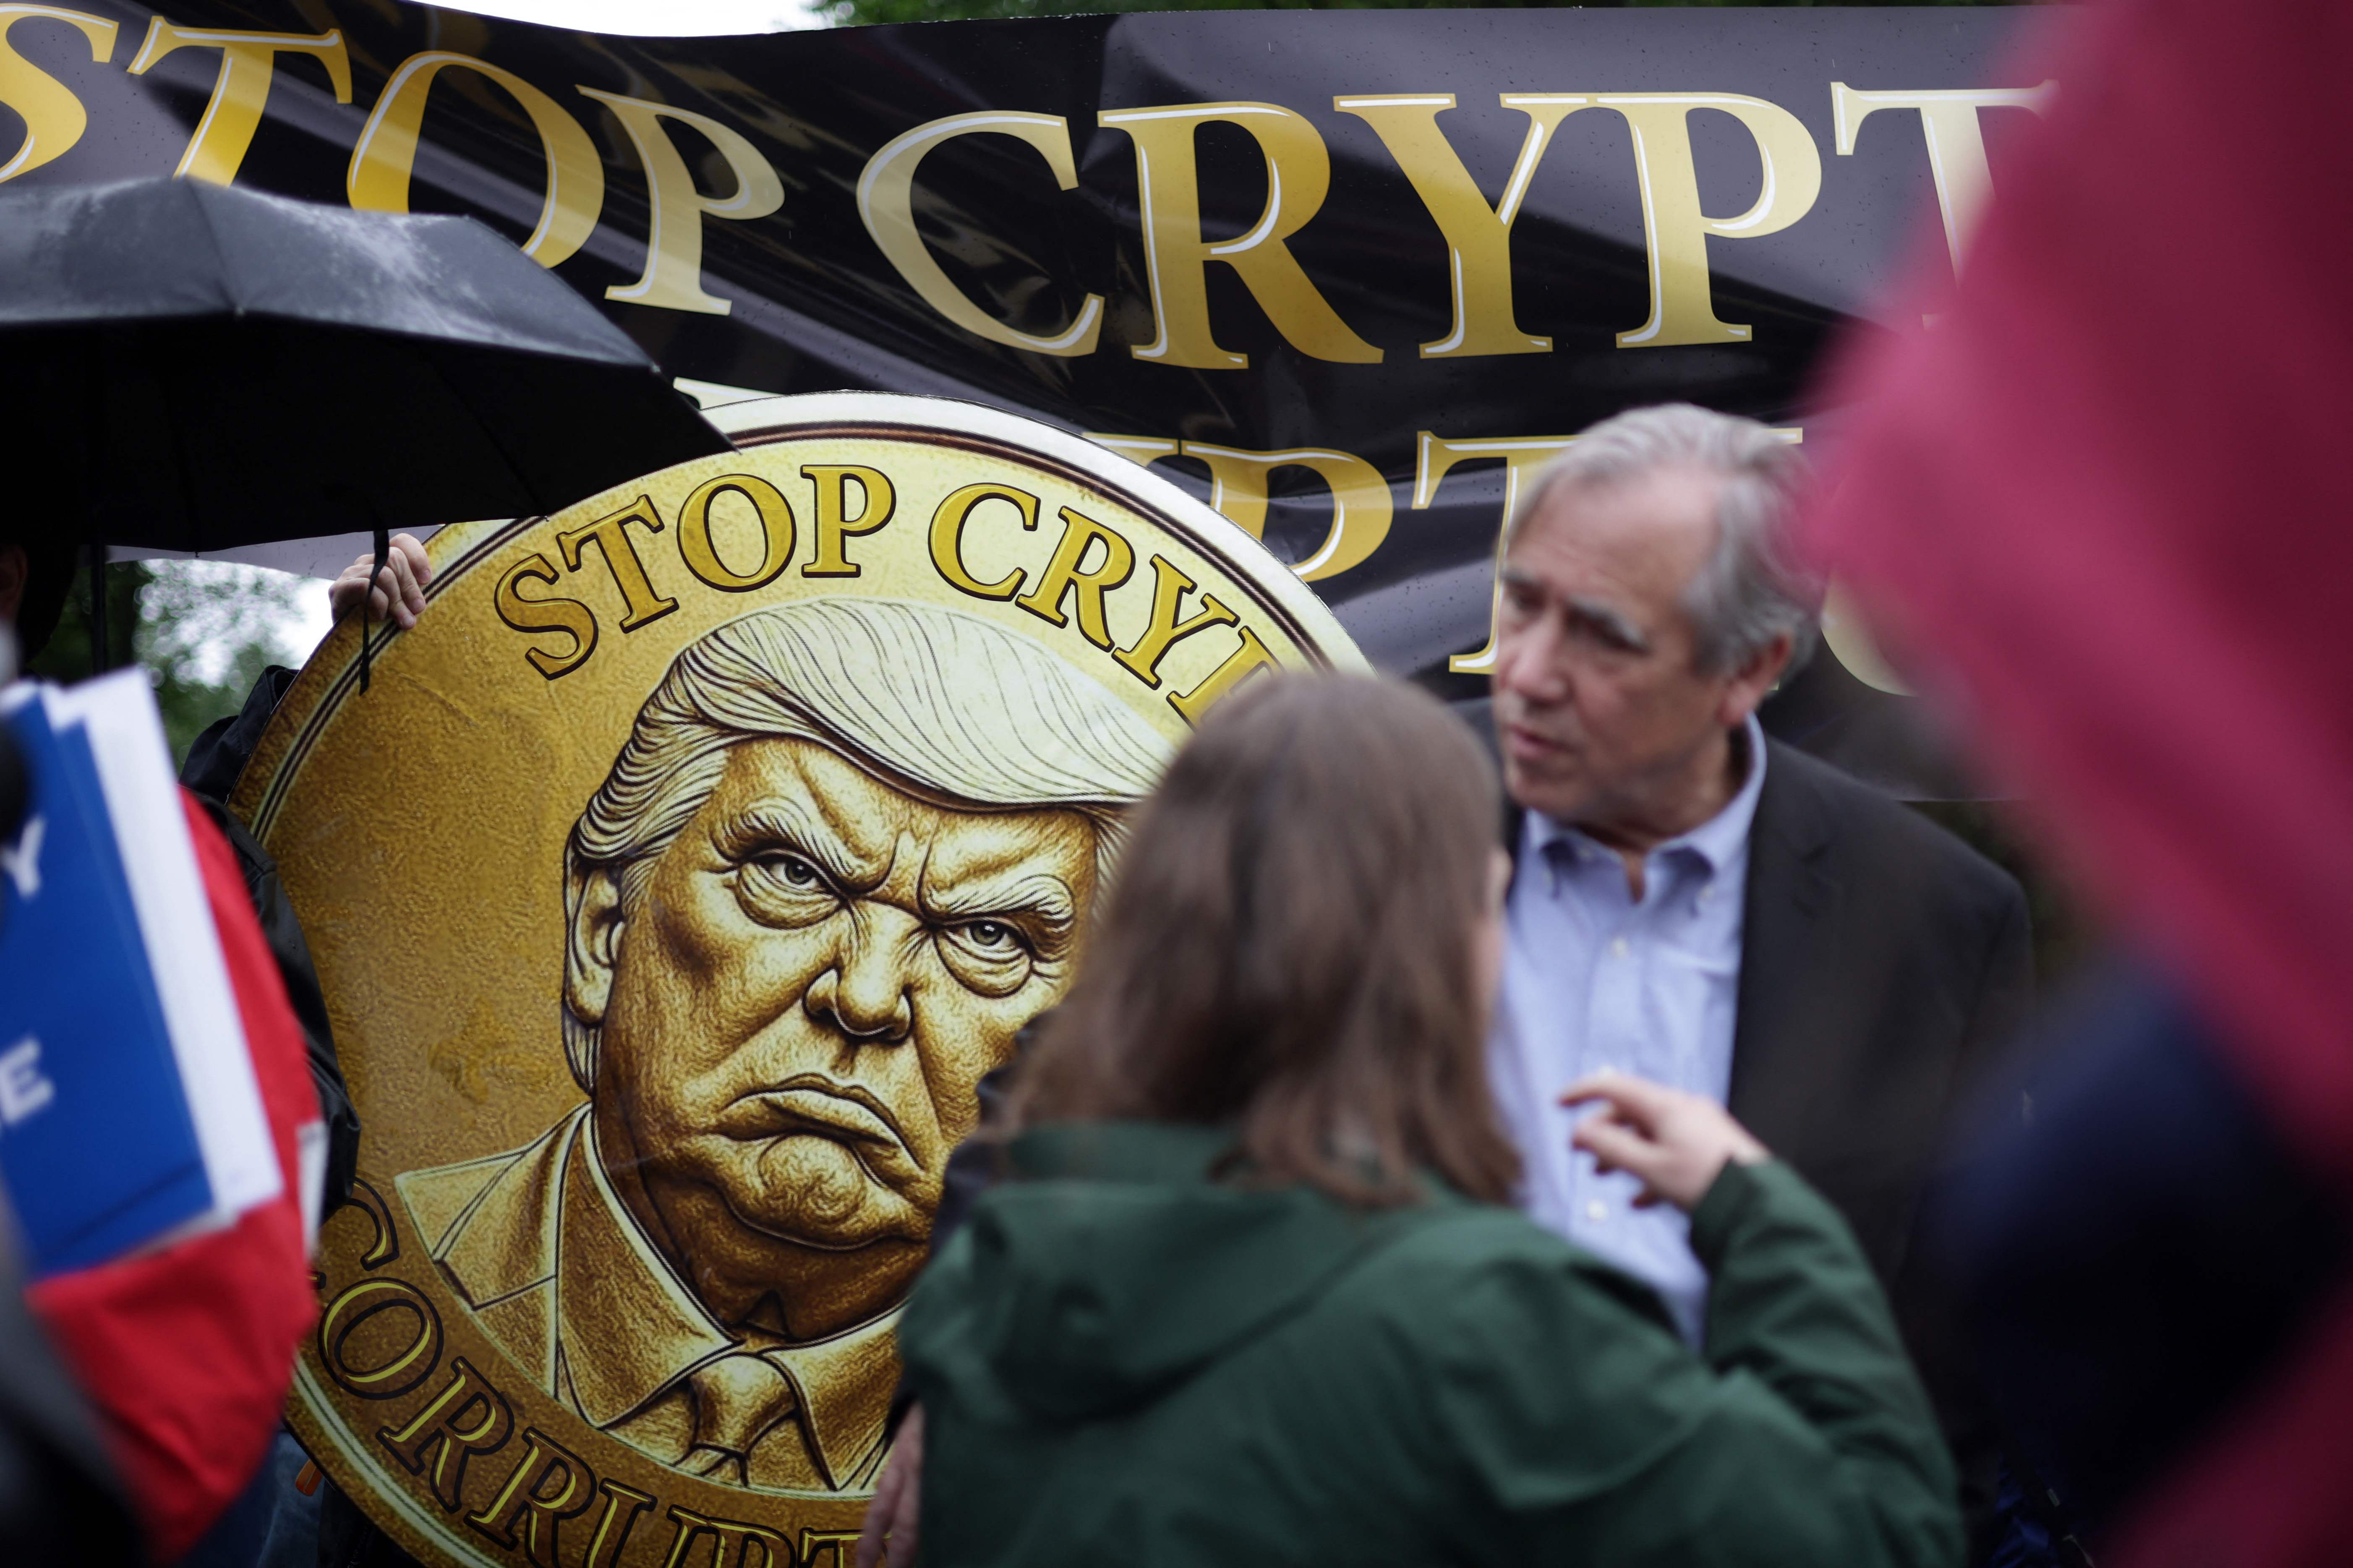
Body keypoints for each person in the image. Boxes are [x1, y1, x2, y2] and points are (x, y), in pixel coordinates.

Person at [891, 673, 1961, 1568]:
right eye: (1495, 901)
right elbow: (1879, 1536)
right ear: (1430, 947)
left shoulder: (989, 1293)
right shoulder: (1480, 1323)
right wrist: (1759, 1212)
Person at [394, 598, 1168, 1493]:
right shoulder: (336, 1249)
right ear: (604, 934)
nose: (866, 998)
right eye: (792, 875)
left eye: (988, 935)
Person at [1478, 404, 2029, 1539]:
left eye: (1601, 636)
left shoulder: (1933, 921)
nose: (1525, 673)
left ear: (1749, 669)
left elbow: (1943, 1370)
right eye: (1520, 603)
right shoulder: (1379, 821)